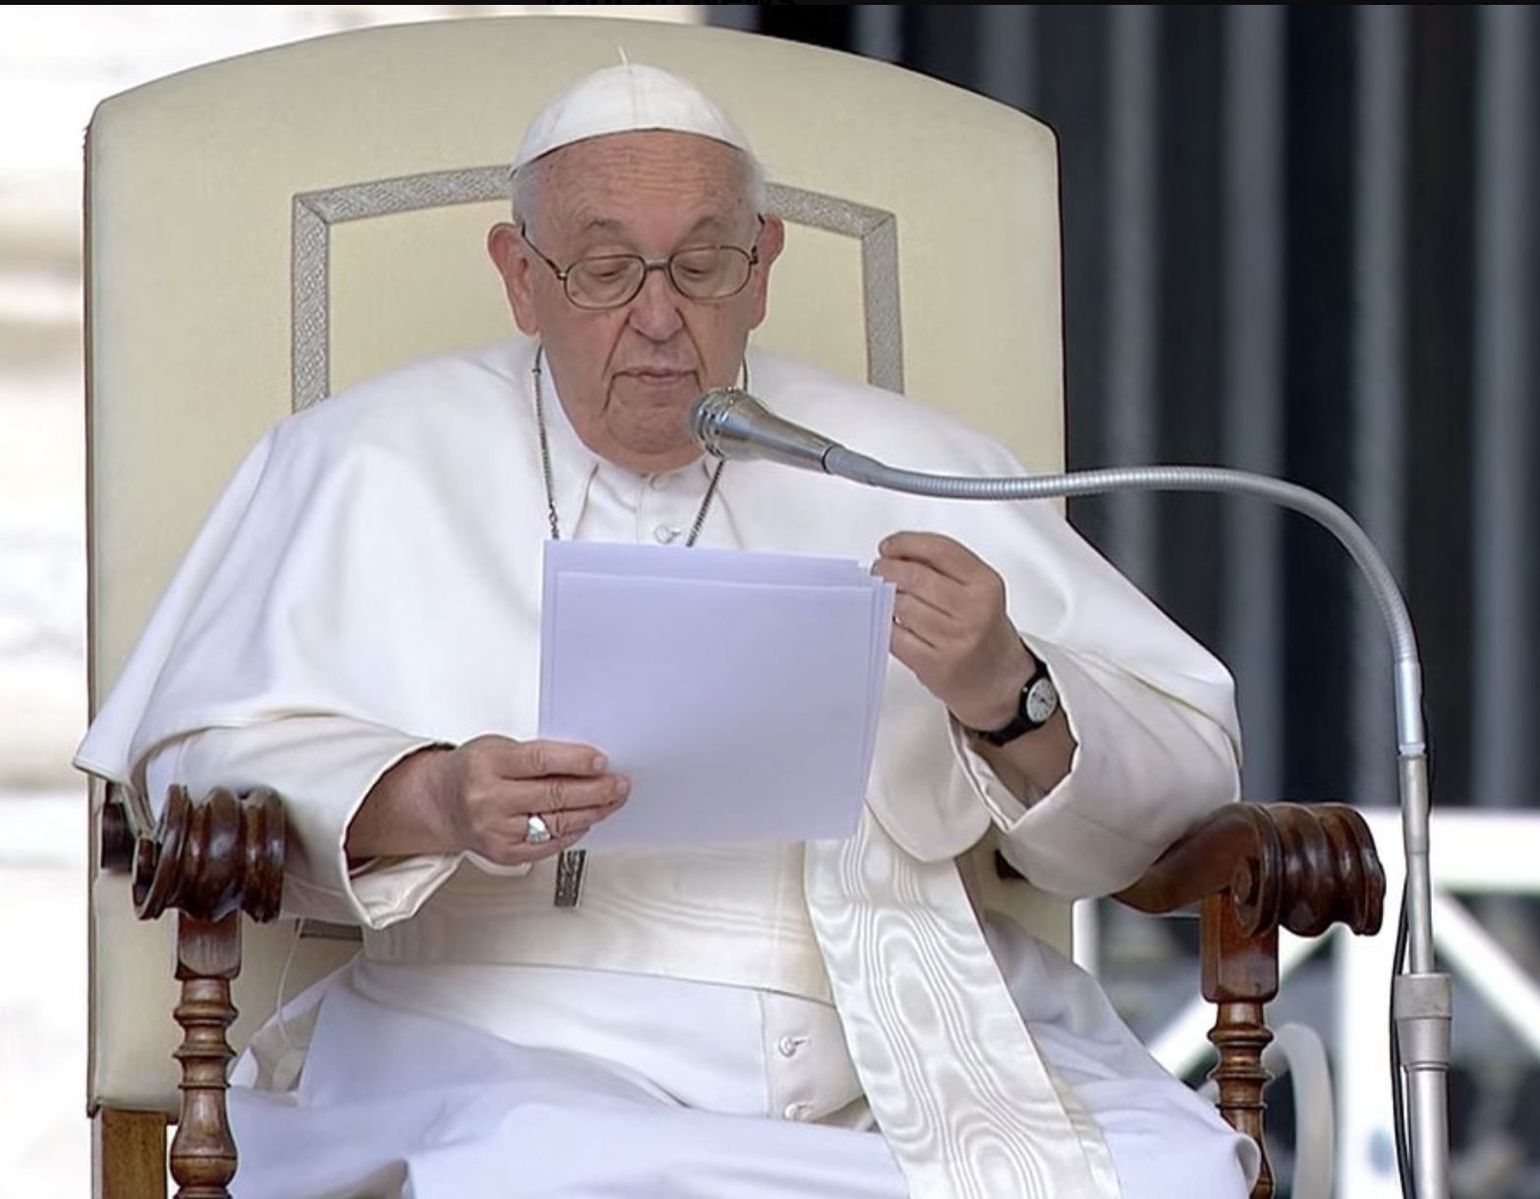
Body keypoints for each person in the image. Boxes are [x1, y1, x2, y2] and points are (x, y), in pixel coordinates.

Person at [76, 62, 1256, 1199]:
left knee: (1175, 1167)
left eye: (701, 266)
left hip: (893, 1018)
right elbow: (187, 768)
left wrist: (1009, 689)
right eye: (601, 271)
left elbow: (1184, 775)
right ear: (519, 275)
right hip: (510, 1021)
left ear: (761, 269)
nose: (657, 317)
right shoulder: (361, 460)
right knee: (539, 1166)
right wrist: (429, 797)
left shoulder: (918, 467)